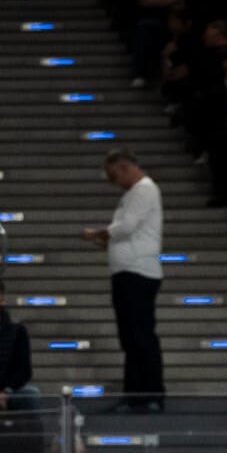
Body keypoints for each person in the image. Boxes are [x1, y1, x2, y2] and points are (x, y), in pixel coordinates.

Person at [81, 148, 164, 410]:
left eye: (113, 175)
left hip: (137, 272)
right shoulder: (134, 194)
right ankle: (136, 394)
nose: (112, 182)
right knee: (131, 337)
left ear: (125, 167)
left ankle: (150, 394)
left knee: (140, 336)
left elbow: (127, 226)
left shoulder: (144, 190)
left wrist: (98, 233)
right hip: (128, 272)